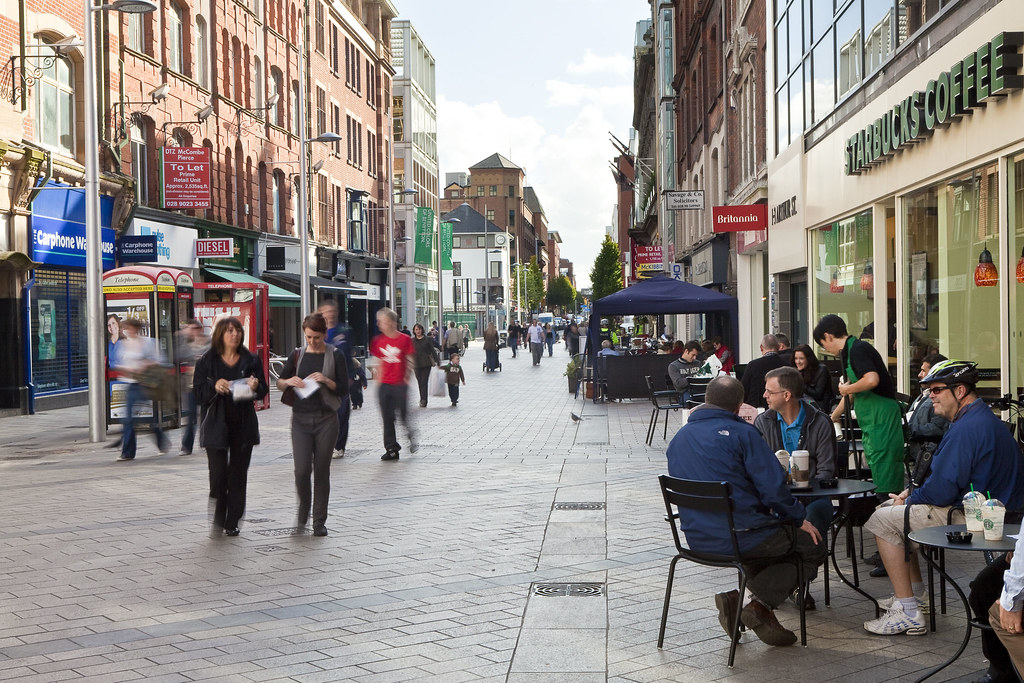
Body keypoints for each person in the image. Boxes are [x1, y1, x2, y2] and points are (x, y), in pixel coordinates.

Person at [861, 360, 1024, 636]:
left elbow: (941, 491)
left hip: (981, 517)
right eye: (928, 390)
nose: (930, 396)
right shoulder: (977, 418)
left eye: (936, 389)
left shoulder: (967, 428)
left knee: (882, 519)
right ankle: (916, 597)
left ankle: (909, 612)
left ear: (959, 391)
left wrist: (910, 499)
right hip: (993, 510)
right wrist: (910, 495)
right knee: (892, 510)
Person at [667, 376, 825, 647]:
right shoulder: (743, 434)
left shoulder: (679, 438)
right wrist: (798, 518)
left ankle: (742, 603)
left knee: (768, 546)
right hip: (743, 536)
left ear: (706, 399)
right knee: (813, 546)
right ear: (740, 406)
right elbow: (773, 489)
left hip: (695, 537)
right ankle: (755, 606)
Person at [193, 316, 268, 537]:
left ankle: (232, 520)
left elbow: (262, 388)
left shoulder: (251, 360)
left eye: (237, 331)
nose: (234, 334)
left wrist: (256, 386)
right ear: (220, 335)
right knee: (218, 476)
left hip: (242, 424)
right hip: (216, 423)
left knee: (237, 475)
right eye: (229, 331)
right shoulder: (207, 362)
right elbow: (198, 393)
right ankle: (218, 514)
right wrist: (214, 386)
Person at [814, 314, 904, 497]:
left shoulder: (858, 349)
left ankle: (889, 515)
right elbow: (853, 391)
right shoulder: (849, 352)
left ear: (828, 336)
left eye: (823, 344)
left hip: (882, 419)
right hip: (872, 422)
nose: (826, 348)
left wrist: (846, 389)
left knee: (885, 479)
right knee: (878, 472)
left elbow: (871, 380)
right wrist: (834, 416)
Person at [277, 313, 348, 537]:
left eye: (316, 337)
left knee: (321, 470)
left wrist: (326, 380)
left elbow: (344, 389)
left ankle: (319, 521)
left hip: (326, 419)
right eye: (308, 337)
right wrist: (289, 381)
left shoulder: (335, 355)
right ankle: (302, 513)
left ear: (324, 334)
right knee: (301, 471)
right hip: (300, 419)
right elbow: (279, 382)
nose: (312, 341)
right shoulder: (297, 355)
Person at [753, 367, 837, 538]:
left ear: (786, 395)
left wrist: (800, 501)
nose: (764, 395)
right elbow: (758, 468)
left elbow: (826, 471)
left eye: (769, 391)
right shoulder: (763, 422)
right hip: (776, 499)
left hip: (814, 497)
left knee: (813, 516)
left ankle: (806, 562)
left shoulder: (820, 422)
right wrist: (784, 502)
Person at [114, 318, 170, 461]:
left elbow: (160, 360)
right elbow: (117, 363)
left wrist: (145, 365)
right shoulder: (121, 344)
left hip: (145, 384)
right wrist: (125, 369)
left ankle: (158, 441)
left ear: (136, 328)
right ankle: (128, 452)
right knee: (129, 418)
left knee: (140, 417)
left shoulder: (148, 342)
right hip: (129, 383)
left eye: (129, 327)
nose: (126, 330)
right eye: (124, 328)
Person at [370, 307, 416, 461]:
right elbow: (378, 362)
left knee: (402, 415)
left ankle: (410, 432)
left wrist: (406, 377)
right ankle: (391, 448)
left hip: (399, 383)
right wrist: (377, 382)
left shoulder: (404, 339)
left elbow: (410, 359)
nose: (379, 324)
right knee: (387, 417)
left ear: (390, 322)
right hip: (385, 385)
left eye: (381, 321)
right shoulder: (378, 341)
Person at [319, 300, 355, 459]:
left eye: (332, 311)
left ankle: (339, 446)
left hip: (342, 379)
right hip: (323, 379)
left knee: (341, 413)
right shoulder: (318, 331)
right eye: (326, 311)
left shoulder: (345, 331)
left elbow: (350, 355)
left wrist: (352, 376)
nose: (330, 314)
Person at [905, 352, 950, 469]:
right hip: (914, 453)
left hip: (925, 458)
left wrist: (908, 430)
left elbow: (938, 428)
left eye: (923, 371)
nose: (919, 374)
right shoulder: (924, 394)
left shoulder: (940, 400)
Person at [176, 319, 209, 456]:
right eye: (190, 329)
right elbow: (177, 355)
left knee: (206, 415)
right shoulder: (187, 345)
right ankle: (186, 446)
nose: (193, 331)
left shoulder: (210, 343)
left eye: (195, 328)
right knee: (191, 417)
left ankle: (207, 441)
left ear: (200, 329)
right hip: (191, 385)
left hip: (207, 384)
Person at [741, 334, 787, 409]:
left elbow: (743, 389)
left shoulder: (753, 365)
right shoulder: (786, 366)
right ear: (778, 347)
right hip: (780, 407)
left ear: (761, 348)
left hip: (756, 408)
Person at [792, 344, 834, 414]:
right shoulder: (797, 370)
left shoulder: (821, 370)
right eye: (796, 358)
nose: (798, 362)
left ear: (809, 359)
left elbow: (818, 394)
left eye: (801, 358)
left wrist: (799, 381)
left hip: (819, 408)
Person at [411, 323, 440, 406]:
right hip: (416, 363)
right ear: (414, 331)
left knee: (424, 381)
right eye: (416, 329)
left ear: (422, 330)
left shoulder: (427, 339)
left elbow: (432, 350)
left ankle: (424, 400)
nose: (418, 331)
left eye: (419, 329)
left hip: (426, 363)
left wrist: (437, 361)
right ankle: (422, 398)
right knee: (419, 381)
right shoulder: (412, 341)